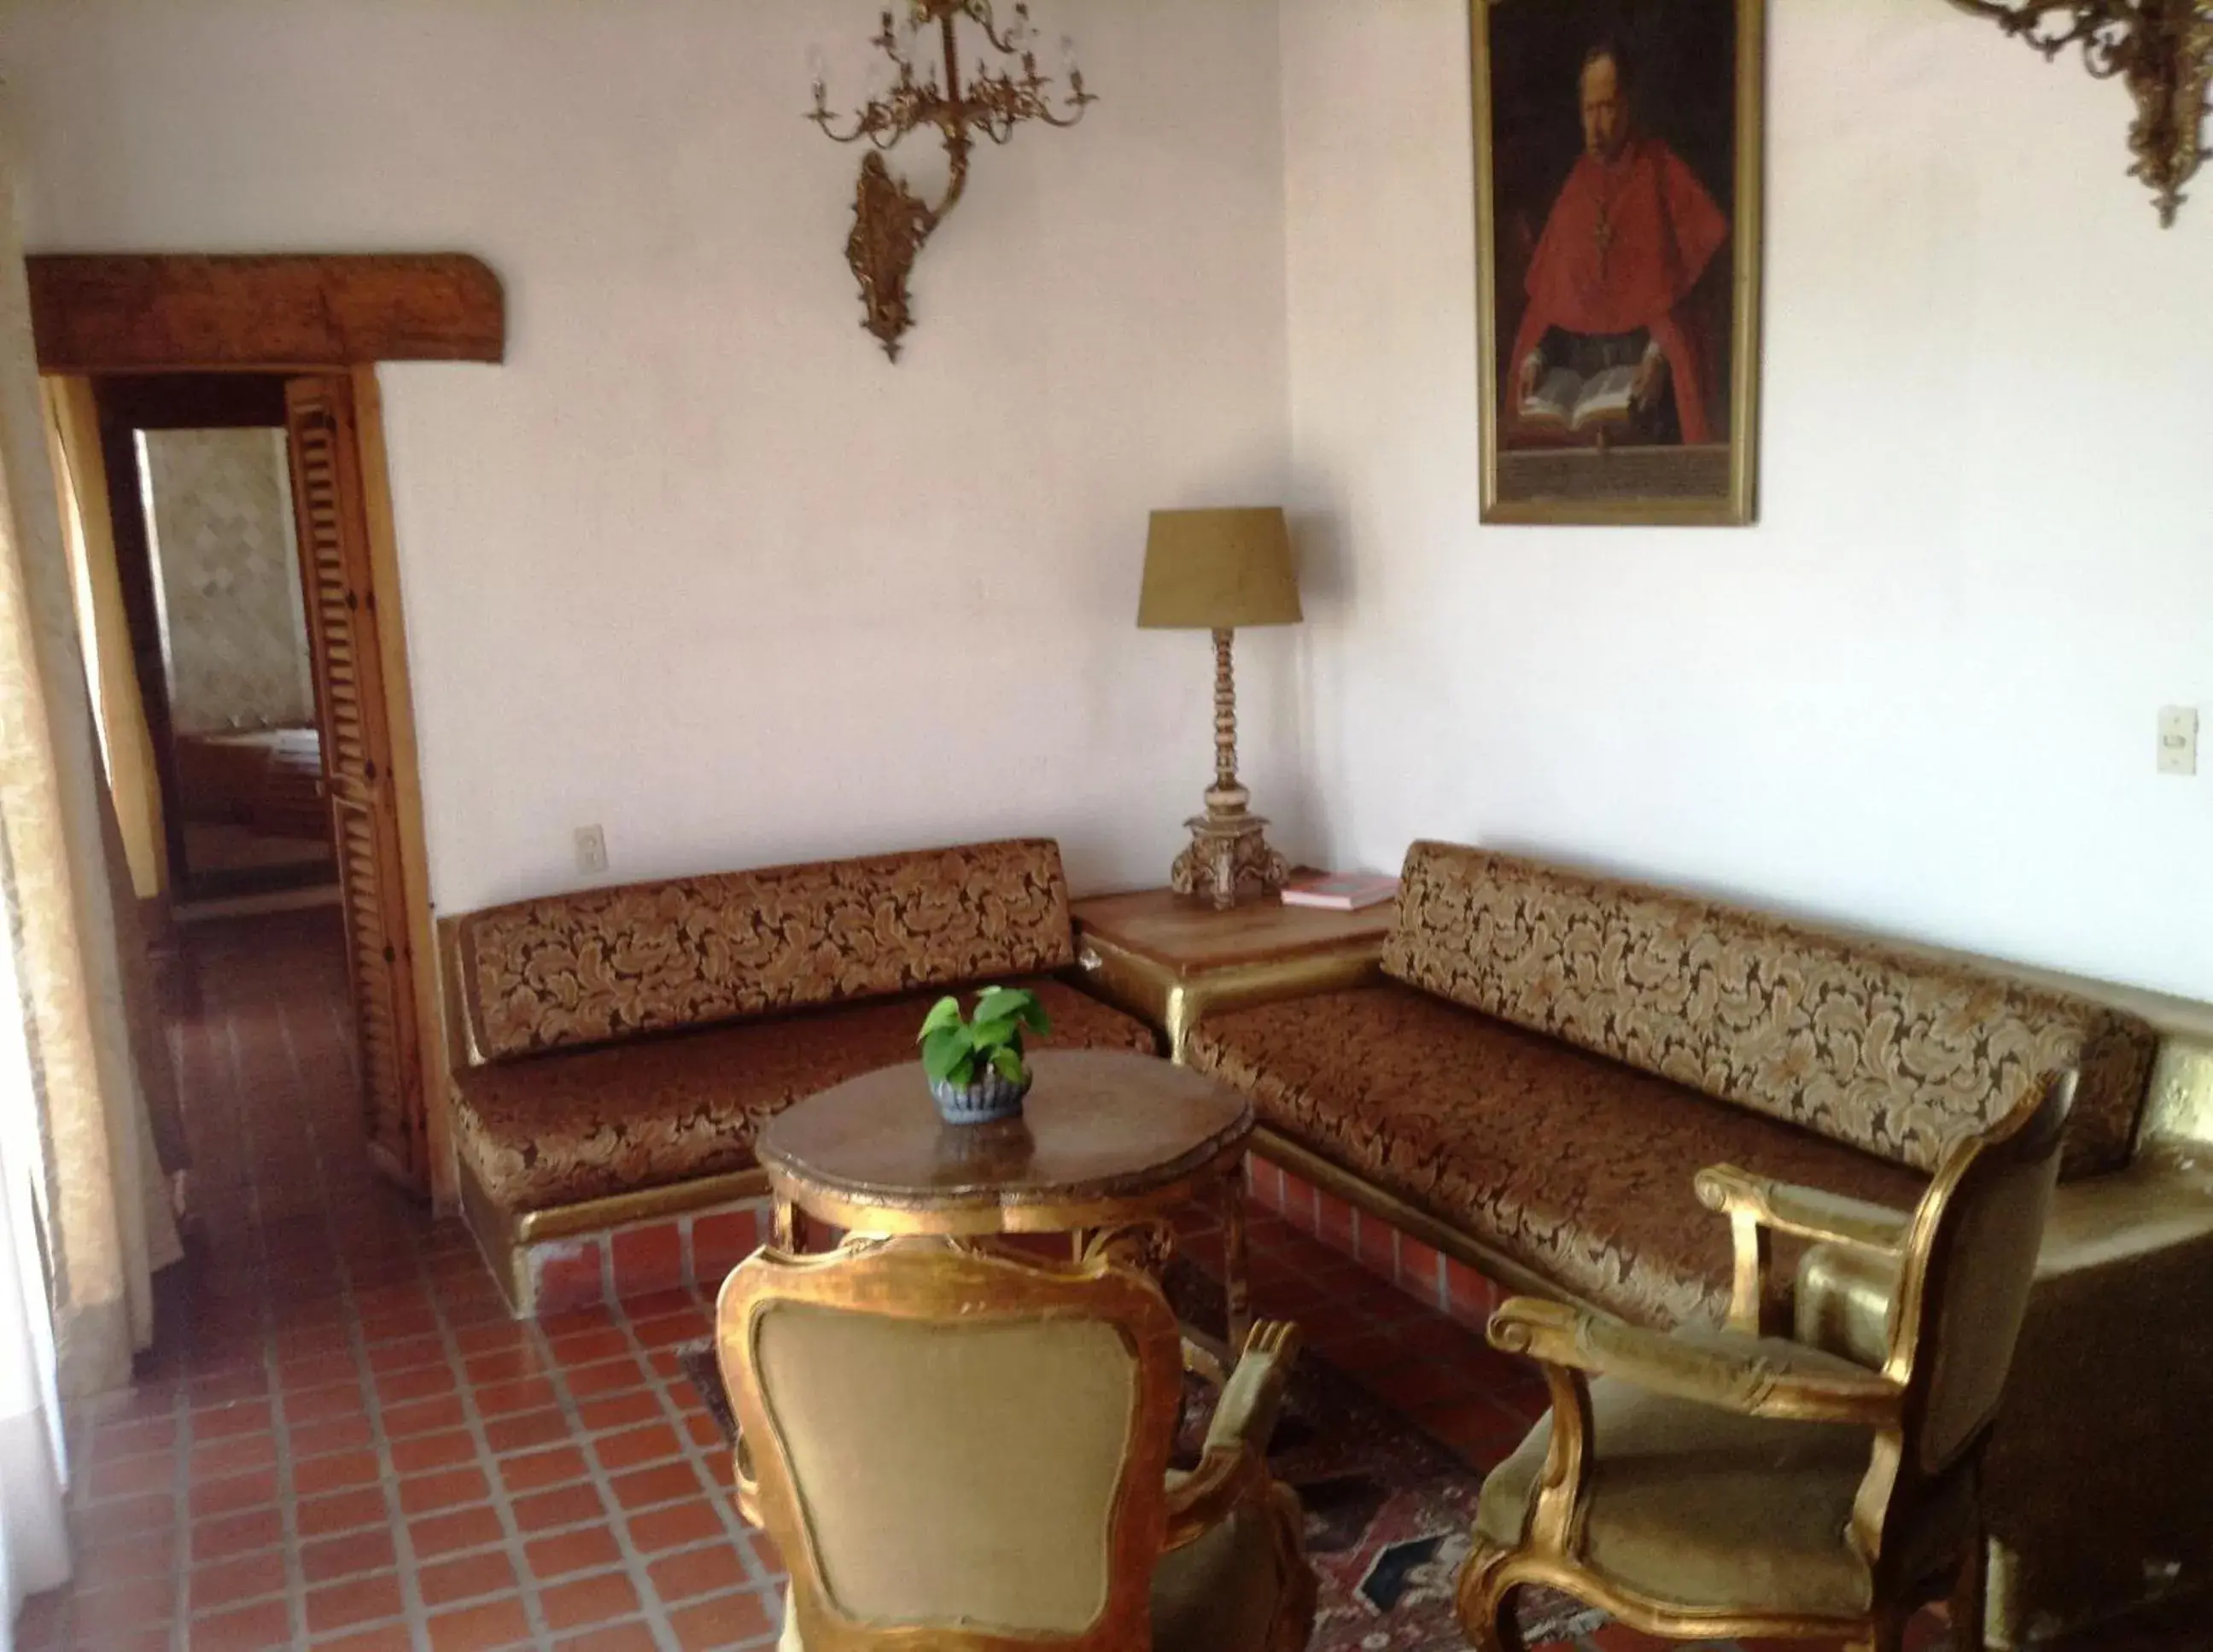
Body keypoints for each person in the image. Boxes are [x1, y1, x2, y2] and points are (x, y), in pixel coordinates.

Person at [1509, 44, 1729, 446]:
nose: (1597, 125)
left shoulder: (1662, 171)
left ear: (1627, 106)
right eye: (1589, 110)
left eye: (1607, 107)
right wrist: (1536, 355)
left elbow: (1690, 300)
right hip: (1578, 394)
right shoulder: (1575, 189)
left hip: (1648, 397)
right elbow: (1552, 306)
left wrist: (1659, 353)